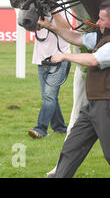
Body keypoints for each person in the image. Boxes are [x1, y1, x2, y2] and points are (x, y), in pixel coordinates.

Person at [37, 0, 110, 178]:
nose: (97, 23)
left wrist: (65, 56)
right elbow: (77, 38)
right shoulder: (102, 36)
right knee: (71, 147)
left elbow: (94, 60)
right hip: (92, 105)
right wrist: (51, 27)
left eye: (101, 19)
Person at [28, 11, 71, 139]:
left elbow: (66, 27)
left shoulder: (63, 6)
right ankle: (60, 127)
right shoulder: (38, 7)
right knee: (49, 97)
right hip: (41, 58)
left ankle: (40, 129)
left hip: (60, 58)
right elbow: (28, 26)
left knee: (49, 96)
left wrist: (54, 10)